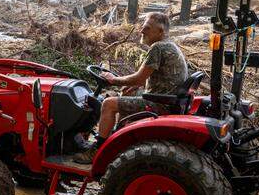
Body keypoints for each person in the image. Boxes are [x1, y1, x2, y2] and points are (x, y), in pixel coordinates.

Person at [79, 11, 187, 155]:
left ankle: (98, 150)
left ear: (160, 31)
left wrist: (113, 80)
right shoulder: (170, 45)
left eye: (147, 28)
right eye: (143, 26)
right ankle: (119, 135)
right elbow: (150, 78)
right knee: (128, 90)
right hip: (167, 99)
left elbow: (139, 78)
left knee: (108, 104)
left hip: (159, 104)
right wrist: (134, 84)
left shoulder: (158, 48)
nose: (142, 30)